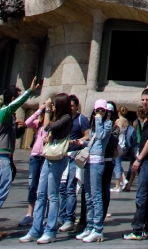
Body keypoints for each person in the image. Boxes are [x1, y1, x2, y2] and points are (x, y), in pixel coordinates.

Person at [20, 91, 72, 245]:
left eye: (55, 104)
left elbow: (47, 127)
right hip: (48, 157)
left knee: (53, 195)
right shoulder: (59, 117)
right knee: (40, 193)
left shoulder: (66, 118)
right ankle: (35, 229)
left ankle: (50, 230)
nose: (52, 106)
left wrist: (47, 109)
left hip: (58, 159)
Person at [0, 75, 40, 234]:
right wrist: (30, 91)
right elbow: (15, 104)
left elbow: (12, 136)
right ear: (11, 98)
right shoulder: (4, 112)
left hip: (6, 158)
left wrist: (20, 129)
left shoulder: (8, 116)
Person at [123, 88, 148, 241]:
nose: (144, 102)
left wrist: (139, 158)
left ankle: (137, 230)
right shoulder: (146, 116)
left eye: (147, 100)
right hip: (147, 158)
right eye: (142, 100)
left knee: (142, 194)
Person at [78, 99, 112, 242]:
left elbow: (101, 136)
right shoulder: (94, 125)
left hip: (98, 162)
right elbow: (93, 140)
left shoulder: (107, 123)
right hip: (89, 160)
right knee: (88, 195)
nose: (99, 113)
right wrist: (81, 142)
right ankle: (89, 226)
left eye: (102, 110)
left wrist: (99, 120)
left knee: (96, 195)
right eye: (97, 110)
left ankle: (98, 229)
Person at [57, 95, 89, 233]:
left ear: (76, 106)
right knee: (62, 188)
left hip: (74, 156)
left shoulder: (82, 119)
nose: (70, 108)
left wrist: (75, 141)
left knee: (71, 187)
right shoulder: (64, 119)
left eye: (72, 106)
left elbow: (87, 136)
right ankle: (61, 217)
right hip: (62, 155)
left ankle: (69, 218)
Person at [19, 99, 52, 228]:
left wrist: (48, 111)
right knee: (32, 185)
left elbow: (49, 129)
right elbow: (25, 123)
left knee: (44, 186)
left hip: (45, 156)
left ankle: (44, 214)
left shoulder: (51, 124)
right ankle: (29, 214)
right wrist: (39, 110)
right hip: (35, 156)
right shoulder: (38, 123)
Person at [100, 103, 120, 224]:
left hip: (107, 160)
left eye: (109, 112)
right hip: (95, 160)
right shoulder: (97, 123)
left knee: (104, 189)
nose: (106, 114)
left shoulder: (114, 127)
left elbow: (110, 143)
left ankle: (101, 215)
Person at [112, 107, 129, 193]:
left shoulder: (119, 121)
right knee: (117, 163)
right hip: (124, 145)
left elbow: (118, 131)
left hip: (119, 144)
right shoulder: (126, 121)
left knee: (117, 165)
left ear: (119, 112)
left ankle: (117, 185)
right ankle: (124, 179)